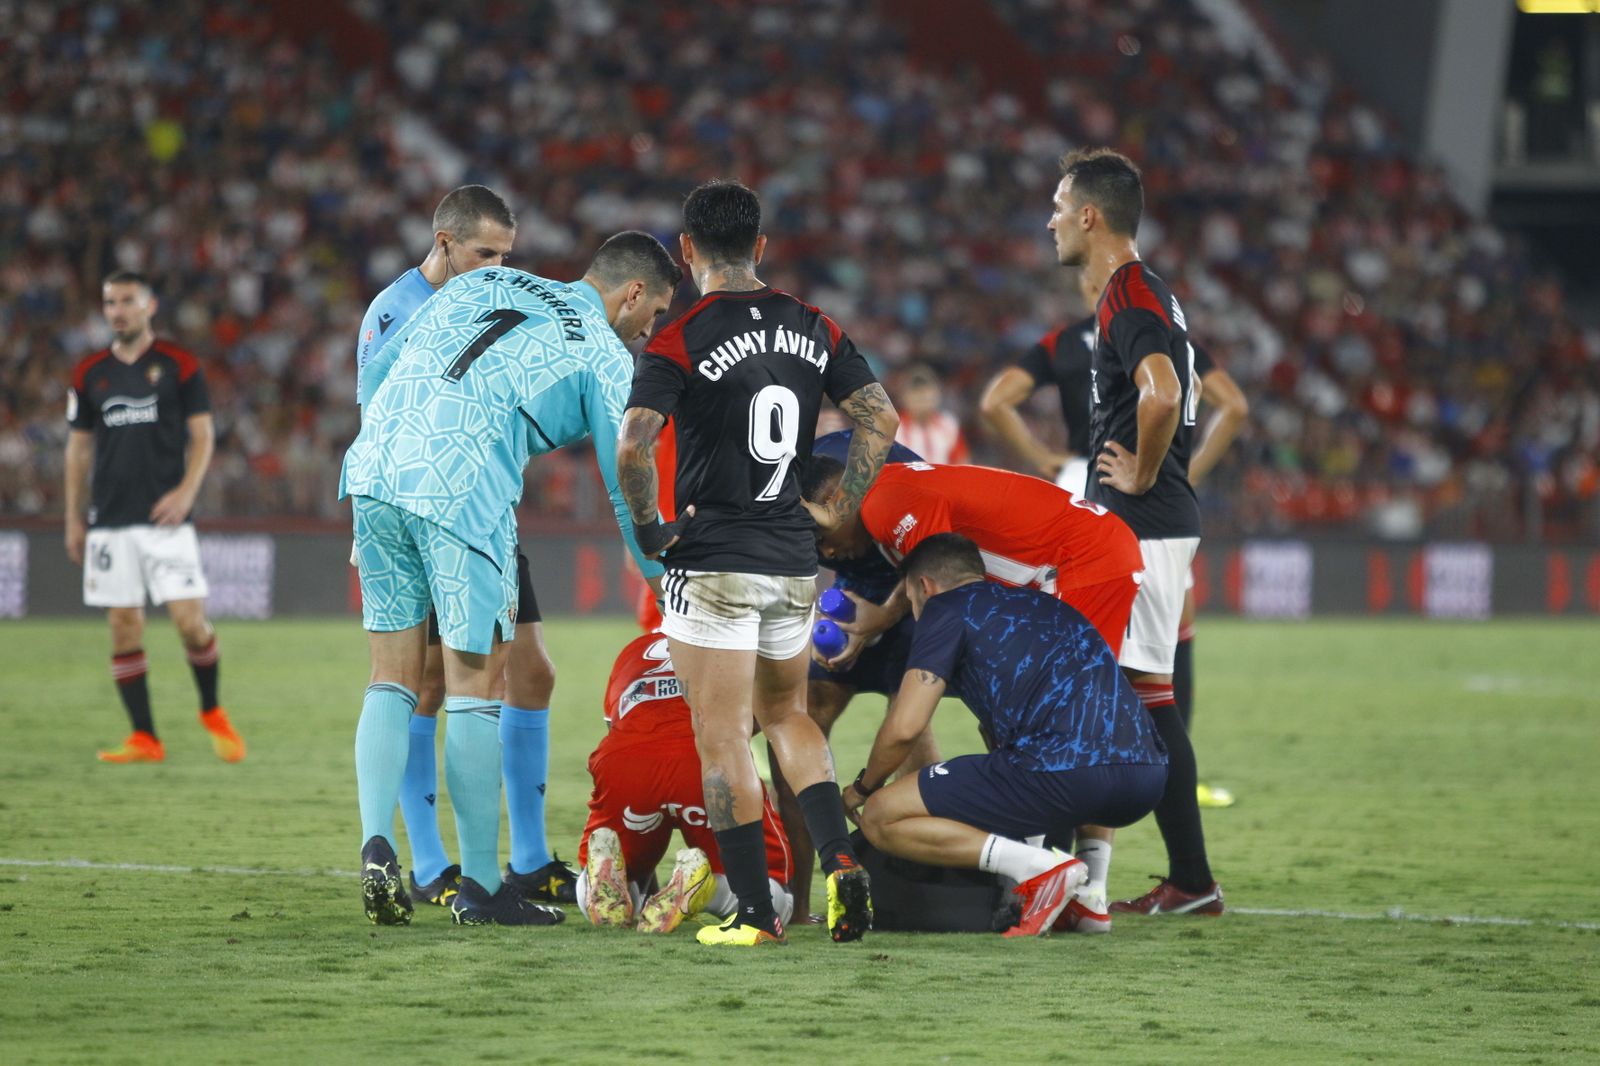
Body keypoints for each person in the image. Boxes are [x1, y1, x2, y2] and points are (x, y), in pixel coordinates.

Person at [341, 231, 680, 926]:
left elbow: (384, 369)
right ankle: (482, 888)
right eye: (655, 314)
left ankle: (378, 846)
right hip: (463, 487)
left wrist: (383, 449)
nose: (652, 330)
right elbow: (627, 484)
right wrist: (663, 578)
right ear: (633, 293)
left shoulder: (483, 284)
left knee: (391, 677)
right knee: (475, 684)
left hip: (374, 468)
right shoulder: (605, 356)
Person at [617, 179, 899, 947]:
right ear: (761, 249)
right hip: (791, 560)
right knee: (789, 717)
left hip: (714, 563)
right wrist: (842, 511)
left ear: (687, 250)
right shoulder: (813, 324)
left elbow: (634, 445)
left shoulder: (680, 335)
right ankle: (841, 863)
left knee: (723, 740)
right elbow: (881, 416)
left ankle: (753, 913)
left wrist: (650, 531)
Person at [352, 184, 554, 910]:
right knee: (436, 683)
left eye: (507, 254)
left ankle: (528, 859)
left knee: (531, 673)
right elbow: (381, 413)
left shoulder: (493, 305)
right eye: (485, 254)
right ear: (443, 244)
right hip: (437, 515)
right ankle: (438, 866)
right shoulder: (395, 310)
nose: (499, 266)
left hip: (492, 511)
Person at [1050, 146, 1222, 919]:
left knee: (1139, 698)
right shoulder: (1148, 293)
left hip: (1144, 524)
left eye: (1058, 207)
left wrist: (1146, 472)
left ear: (1090, 215)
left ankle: (1185, 879)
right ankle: (1106, 872)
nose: (1050, 220)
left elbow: (1162, 392)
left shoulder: (1128, 295)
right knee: (1118, 692)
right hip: (1146, 526)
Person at [841, 534, 1167, 937]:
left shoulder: (945, 608)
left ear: (924, 587)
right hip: (1147, 776)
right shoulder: (1046, 604)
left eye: (910, 601)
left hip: (1066, 775)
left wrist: (862, 787)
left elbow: (905, 727)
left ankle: (1042, 870)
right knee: (1081, 746)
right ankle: (1088, 900)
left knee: (882, 815)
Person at [64, 270, 244, 765]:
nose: (116, 310)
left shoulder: (180, 366)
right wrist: (72, 518)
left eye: (126, 301)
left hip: (166, 521)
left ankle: (211, 709)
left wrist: (187, 493)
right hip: (109, 521)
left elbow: (204, 436)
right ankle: (145, 736)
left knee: (190, 624)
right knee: (124, 627)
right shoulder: (89, 373)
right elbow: (78, 451)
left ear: (149, 306)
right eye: (109, 302)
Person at [772, 430, 930, 923]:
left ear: (841, 504)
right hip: (860, 587)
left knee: (911, 715)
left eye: (825, 539)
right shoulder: (796, 497)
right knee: (802, 712)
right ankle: (799, 901)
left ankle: (920, 882)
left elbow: (933, 561)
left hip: (925, 586)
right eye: (813, 543)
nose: (825, 553)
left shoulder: (896, 489)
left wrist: (879, 622)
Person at [804, 459, 1144, 665]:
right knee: (1044, 707)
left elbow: (946, 601)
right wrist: (882, 617)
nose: (828, 553)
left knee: (1066, 705)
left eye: (820, 537)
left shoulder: (882, 506)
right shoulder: (881, 493)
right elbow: (930, 572)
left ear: (836, 499)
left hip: (1082, 558)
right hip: (1072, 557)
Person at [575, 632, 794, 933]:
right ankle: (706, 891)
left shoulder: (633, 648)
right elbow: (763, 718)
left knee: (614, 875)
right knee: (773, 895)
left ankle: (612, 885)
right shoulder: (736, 638)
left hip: (625, 763)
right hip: (703, 758)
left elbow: (614, 723)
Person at [1181, 346, 1249, 809]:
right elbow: (1234, 404)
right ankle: (1175, 779)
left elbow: (1233, 405)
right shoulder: (1169, 334)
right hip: (1151, 507)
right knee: (1173, 637)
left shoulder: (1131, 329)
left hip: (1117, 493)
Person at [979, 271, 1098, 496]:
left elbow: (993, 403)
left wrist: (1040, 458)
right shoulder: (1158, 334)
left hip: (1084, 475)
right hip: (1153, 478)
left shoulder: (1064, 342)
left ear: (1087, 286)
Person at [894, 364, 969, 465]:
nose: (922, 399)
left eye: (925, 394)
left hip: (943, 479)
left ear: (937, 395)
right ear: (904, 397)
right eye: (916, 394)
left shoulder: (948, 425)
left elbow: (961, 462)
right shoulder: (895, 429)